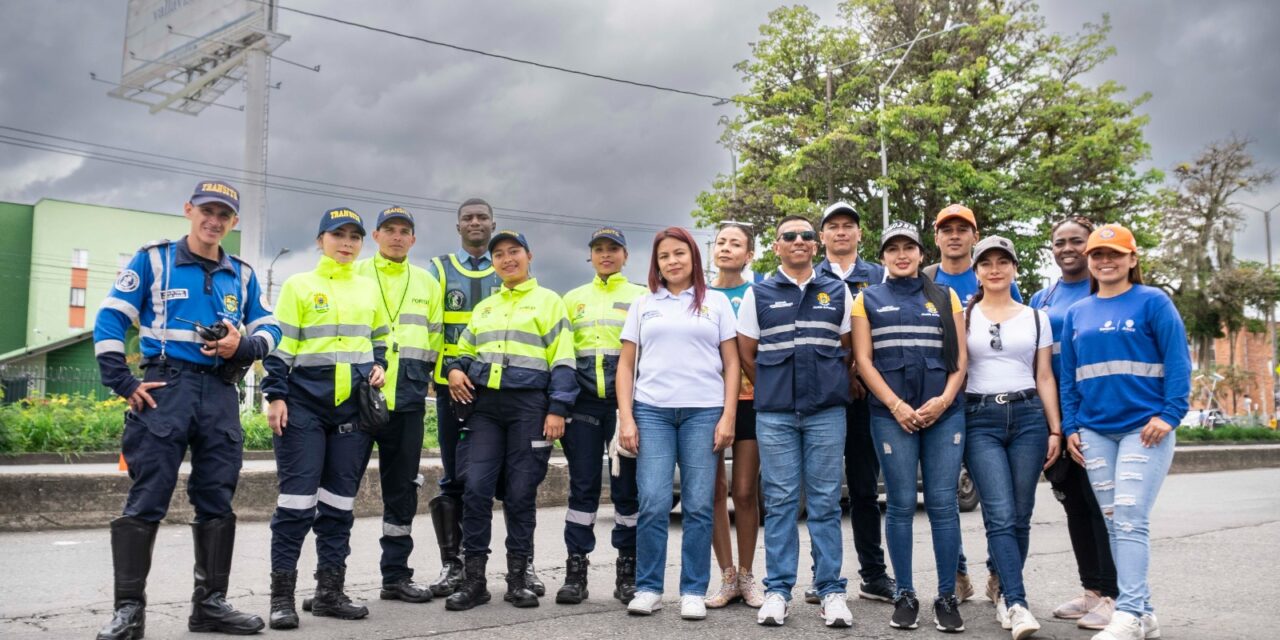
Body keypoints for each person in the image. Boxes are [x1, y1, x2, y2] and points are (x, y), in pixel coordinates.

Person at [92, 180, 276, 639]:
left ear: (233, 222)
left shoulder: (245, 274)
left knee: (217, 496)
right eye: (207, 212)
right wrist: (122, 380)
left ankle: (210, 606)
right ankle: (129, 613)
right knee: (147, 495)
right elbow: (111, 317)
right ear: (189, 211)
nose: (214, 221)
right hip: (164, 389)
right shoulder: (153, 259)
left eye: (224, 215)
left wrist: (243, 345)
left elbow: (272, 328)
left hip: (218, 393)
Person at [1060, 224, 1191, 640]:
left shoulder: (1154, 302)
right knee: (1116, 520)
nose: (1105, 261)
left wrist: (1169, 416)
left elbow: (1178, 362)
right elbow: (1068, 377)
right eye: (1098, 255)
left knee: (1131, 518)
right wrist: (1071, 426)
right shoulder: (1079, 312)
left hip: (1145, 429)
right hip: (1095, 432)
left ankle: (1129, 612)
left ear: (1132, 259)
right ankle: (1145, 611)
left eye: (1115, 254)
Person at [263, 207, 389, 628]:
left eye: (354, 237)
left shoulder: (369, 288)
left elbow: (381, 337)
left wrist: (382, 365)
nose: (347, 243)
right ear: (320, 240)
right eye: (338, 235)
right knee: (296, 504)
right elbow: (280, 349)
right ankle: (281, 597)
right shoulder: (300, 285)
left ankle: (329, 593)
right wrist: (275, 397)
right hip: (303, 407)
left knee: (338, 506)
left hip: (352, 409)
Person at [442, 230, 578, 610]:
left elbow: (563, 360)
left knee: (520, 494)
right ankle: (474, 582)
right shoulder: (486, 306)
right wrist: (454, 370)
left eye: (513, 252)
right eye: (498, 254)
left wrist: (557, 409)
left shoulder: (549, 302)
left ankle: (518, 579)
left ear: (528, 256)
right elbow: (464, 351)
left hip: (529, 408)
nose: (506, 259)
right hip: (486, 409)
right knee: (475, 489)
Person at [736, 215, 856, 628]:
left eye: (807, 235)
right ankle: (778, 591)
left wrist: (828, 385)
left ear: (815, 243)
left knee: (824, 503)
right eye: (790, 236)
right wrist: (774, 386)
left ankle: (832, 592)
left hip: (826, 412)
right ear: (777, 245)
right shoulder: (759, 293)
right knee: (782, 501)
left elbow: (847, 350)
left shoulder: (836, 290)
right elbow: (747, 354)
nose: (800, 241)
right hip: (776, 414)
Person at [852, 221, 968, 632]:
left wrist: (944, 400)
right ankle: (904, 594)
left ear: (921, 253)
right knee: (900, 505)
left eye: (909, 248)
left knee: (942, 505)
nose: (902, 255)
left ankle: (946, 597)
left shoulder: (946, 295)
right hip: (891, 416)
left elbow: (960, 361)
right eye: (893, 249)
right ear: (882, 256)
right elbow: (863, 361)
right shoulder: (866, 300)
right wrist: (896, 405)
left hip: (943, 414)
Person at [617, 227, 739, 620]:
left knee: (700, 504)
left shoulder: (717, 303)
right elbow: (626, 365)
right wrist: (627, 417)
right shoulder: (643, 304)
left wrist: (728, 415)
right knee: (652, 501)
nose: (672, 261)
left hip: (704, 412)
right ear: (656, 263)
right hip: (651, 411)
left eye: (680, 253)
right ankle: (649, 587)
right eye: (664, 256)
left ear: (693, 258)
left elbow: (733, 363)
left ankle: (692, 590)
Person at [962, 236, 1062, 639]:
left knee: (1021, 515)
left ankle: (1004, 592)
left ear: (1015, 269)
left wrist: (1055, 428)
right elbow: (958, 370)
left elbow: (1044, 376)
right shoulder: (964, 317)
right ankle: (1017, 602)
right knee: (999, 514)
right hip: (979, 418)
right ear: (977, 272)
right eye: (986, 263)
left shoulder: (1037, 318)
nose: (995, 269)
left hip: (1029, 418)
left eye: (1004, 262)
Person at [925, 202, 1019, 602]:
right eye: (947, 229)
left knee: (996, 497)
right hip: (941, 402)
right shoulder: (925, 277)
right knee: (943, 495)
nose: (955, 235)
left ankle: (998, 575)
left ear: (974, 236)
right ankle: (957, 574)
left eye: (963, 229)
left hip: (985, 402)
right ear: (936, 236)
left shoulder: (997, 279)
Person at [1030, 217, 1119, 631]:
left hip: (1095, 415)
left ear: (1089, 246)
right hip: (1054, 415)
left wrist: (1079, 421)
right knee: (1075, 506)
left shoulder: (1105, 291)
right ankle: (1092, 591)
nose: (1067, 248)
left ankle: (1115, 597)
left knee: (1102, 506)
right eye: (1060, 242)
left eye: (1076, 241)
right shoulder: (1041, 298)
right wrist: (1053, 424)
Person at [353, 206, 444, 604]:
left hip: (407, 399)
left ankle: (396, 577)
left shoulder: (426, 282)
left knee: (402, 490)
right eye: (389, 229)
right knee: (339, 489)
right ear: (375, 236)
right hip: (355, 399)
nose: (396, 236)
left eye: (404, 231)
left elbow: (436, 337)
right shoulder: (353, 273)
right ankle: (329, 582)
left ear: (413, 239)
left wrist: (426, 380)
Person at [556, 227, 646, 605]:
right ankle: (576, 570)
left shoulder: (642, 295)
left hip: (626, 405)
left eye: (613, 249)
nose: (605, 255)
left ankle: (628, 570)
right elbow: (561, 353)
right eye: (598, 249)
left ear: (625, 255)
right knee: (583, 486)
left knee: (627, 491)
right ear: (589, 256)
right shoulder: (572, 298)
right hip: (585, 406)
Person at [813, 201, 896, 605]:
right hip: (824, 398)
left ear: (860, 234)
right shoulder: (809, 277)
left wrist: (864, 378)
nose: (842, 232)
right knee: (822, 492)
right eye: (834, 226)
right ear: (822, 236)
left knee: (865, 490)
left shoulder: (879, 276)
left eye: (849, 226)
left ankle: (874, 575)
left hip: (867, 399)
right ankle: (821, 575)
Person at [424, 198, 506, 597]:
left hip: (500, 391)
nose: (475, 223)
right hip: (451, 390)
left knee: (506, 481)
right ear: (457, 226)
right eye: (467, 218)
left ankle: (517, 570)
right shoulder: (438, 269)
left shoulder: (509, 264)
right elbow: (428, 326)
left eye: (482, 217)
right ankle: (453, 567)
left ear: (494, 223)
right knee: (455, 477)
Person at [704, 221, 764, 609]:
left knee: (744, 491)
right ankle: (726, 576)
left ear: (749, 254)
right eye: (721, 242)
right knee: (713, 491)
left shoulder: (757, 293)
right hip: (706, 402)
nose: (726, 248)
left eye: (735, 243)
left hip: (750, 401)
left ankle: (747, 575)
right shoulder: (699, 295)